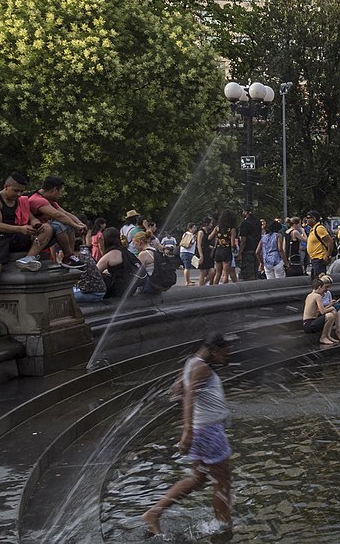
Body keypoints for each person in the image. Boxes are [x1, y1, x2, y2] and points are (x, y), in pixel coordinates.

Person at [142, 332, 235, 535]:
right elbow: (190, 395)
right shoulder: (201, 368)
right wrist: (187, 431)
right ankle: (222, 525)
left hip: (203, 429)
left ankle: (154, 513)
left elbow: (177, 392)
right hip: (209, 431)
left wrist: (192, 425)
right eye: (224, 354)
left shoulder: (191, 363)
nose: (226, 358)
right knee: (223, 481)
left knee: (198, 478)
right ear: (214, 350)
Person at [0, 173, 52, 326]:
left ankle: (29, 258)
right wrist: (20, 229)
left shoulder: (21, 201)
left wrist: (35, 225)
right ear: (6, 187)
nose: (19, 194)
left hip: (17, 234)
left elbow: (31, 217)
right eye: (15, 191)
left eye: (21, 191)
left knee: (48, 228)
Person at [211, 210, 238, 285]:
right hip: (226, 251)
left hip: (218, 251)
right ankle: (224, 289)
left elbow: (210, 237)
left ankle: (214, 288)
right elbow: (232, 244)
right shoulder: (231, 229)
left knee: (218, 273)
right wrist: (234, 248)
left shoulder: (217, 228)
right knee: (225, 273)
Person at [306, 213, 335, 280]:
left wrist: (328, 256)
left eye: (308, 218)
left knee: (319, 280)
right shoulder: (313, 229)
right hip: (314, 258)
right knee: (315, 279)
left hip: (319, 258)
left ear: (314, 219)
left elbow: (330, 241)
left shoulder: (319, 228)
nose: (306, 219)